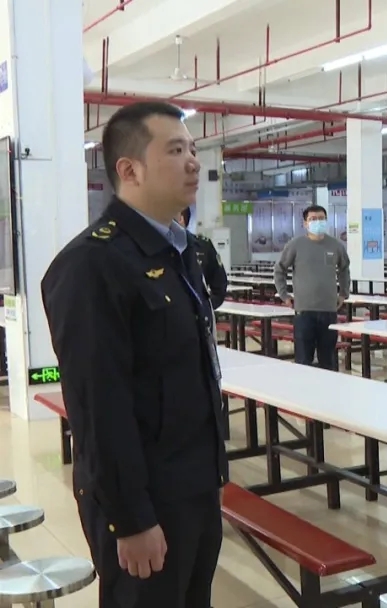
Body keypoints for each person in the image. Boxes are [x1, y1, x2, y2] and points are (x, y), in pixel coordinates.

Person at [40, 101, 228, 607]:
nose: (193, 162)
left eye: (193, 149)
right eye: (176, 150)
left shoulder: (181, 252)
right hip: (147, 500)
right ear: (130, 170)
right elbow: (98, 406)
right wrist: (131, 518)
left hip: (194, 485)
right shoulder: (92, 264)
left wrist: (212, 477)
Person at [274, 205, 350, 370]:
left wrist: (344, 293)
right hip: (304, 311)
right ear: (305, 223)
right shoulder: (295, 245)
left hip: (328, 310)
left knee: (328, 359)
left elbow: (344, 269)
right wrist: (284, 295)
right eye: (313, 219)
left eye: (321, 218)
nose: (317, 222)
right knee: (303, 360)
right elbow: (280, 270)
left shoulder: (335, 245)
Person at [177, 206, 228, 309]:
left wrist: (205, 308)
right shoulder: (157, 247)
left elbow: (219, 284)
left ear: (181, 218)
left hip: (197, 315)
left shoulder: (203, 246)